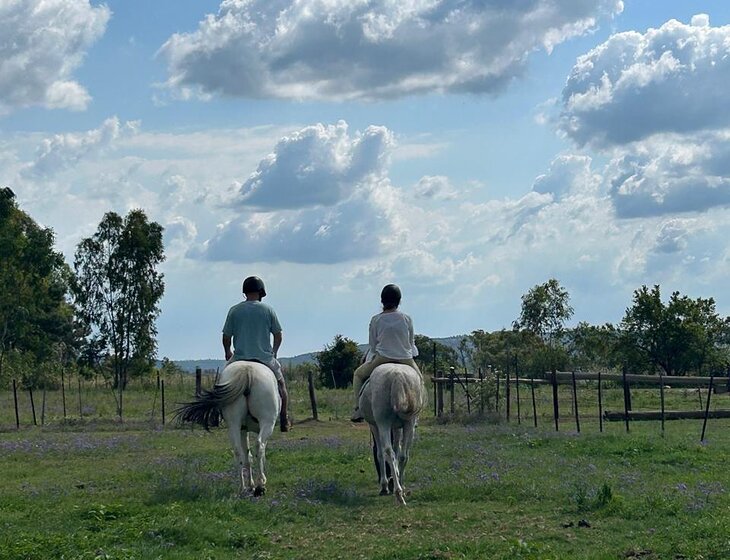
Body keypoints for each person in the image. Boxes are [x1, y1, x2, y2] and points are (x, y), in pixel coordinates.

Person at [222, 275, 291, 432]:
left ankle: (217, 415)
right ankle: (284, 419)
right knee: (281, 386)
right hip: (264, 358)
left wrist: (227, 352)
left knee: (221, 384)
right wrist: (274, 352)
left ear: (244, 292)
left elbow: (226, 337)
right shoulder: (268, 310)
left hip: (239, 358)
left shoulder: (234, 310)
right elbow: (278, 335)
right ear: (261, 292)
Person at [350, 284, 422, 422]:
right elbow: (410, 343)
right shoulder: (407, 319)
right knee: (419, 380)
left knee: (358, 375)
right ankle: (416, 414)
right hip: (405, 358)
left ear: (382, 301)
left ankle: (358, 409)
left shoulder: (376, 319)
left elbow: (373, 345)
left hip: (383, 358)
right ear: (399, 301)